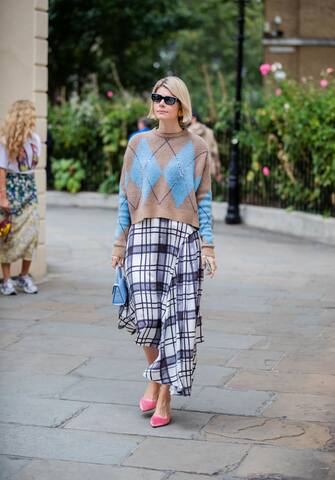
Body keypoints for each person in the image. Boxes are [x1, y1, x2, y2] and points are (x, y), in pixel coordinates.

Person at [111, 76, 217, 428]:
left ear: (181, 106)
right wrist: (119, 243)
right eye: (156, 97)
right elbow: (125, 197)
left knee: (176, 319)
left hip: (182, 239)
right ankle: (155, 377)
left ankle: (165, 393)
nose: (160, 103)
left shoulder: (197, 146)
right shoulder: (138, 144)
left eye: (168, 99)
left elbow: (204, 200)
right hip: (142, 236)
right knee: (146, 315)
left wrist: (209, 246)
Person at [0, 100, 41, 295]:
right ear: (23, 116)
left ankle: (24, 276)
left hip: (30, 188)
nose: (34, 118)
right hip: (12, 189)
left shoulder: (35, 139)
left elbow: (33, 167)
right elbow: (2, 170)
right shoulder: (6, 140)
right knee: (9, 236)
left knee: (32, 234)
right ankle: (6, 280)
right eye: (31, 114)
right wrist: (3, 197)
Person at [188, 110, 222, 182]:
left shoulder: (186, 133)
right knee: (206, 192)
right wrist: (218, 172)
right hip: (208, 168)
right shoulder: (209, 132)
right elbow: (215, 153)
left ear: (193, 118)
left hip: (192, 170)